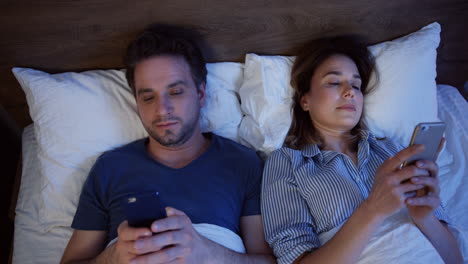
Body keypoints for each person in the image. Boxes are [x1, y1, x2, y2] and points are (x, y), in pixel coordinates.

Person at [61, 24, 275, 264]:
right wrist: (112, 257)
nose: (162, 109)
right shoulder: (109, 168)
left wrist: (207, 252)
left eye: (175, 92)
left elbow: (268, 260)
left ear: (201, 94)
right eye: (148, 97)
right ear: (137, 103)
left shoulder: (242, 163)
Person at [261, 36, 463, 264]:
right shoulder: (287, 162)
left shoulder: (390, 149)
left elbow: (455, 259)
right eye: (334, 82)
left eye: (356, 85)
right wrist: (373, 209)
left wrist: (424, 218)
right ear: (305, 100)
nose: (350, 92)